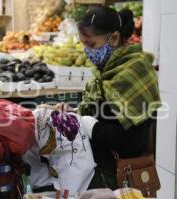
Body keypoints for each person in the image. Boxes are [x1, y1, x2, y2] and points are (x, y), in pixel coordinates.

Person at [55, 7, 161, 190]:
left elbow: (133, 141)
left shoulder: (132, 72)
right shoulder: (107, 70)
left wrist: (89, 125)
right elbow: (107, 113)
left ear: (113, 39)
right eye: (83, 44)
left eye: (91, 44)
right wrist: (76, 114)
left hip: (122, 179)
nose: (87, 51)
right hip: (101, 171)